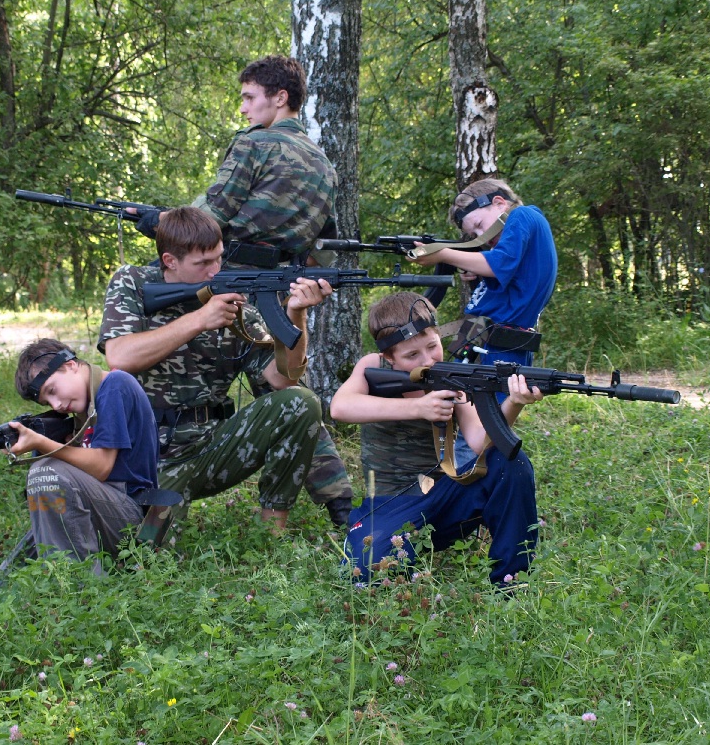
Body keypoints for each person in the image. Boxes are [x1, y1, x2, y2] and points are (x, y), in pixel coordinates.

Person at [99, 206, 332, 531]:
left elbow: (283, 378)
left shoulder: (236, 308)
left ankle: (273, 537)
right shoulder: (134, 282)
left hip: (209, 449)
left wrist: (296, 314)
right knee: (146, 557)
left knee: (301, 402)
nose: (215, 271)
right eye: (202, 264)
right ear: (170, 261)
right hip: (146, 459)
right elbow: (119, 356)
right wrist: (198, 320)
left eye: (219, 258)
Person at [330, 292, 543, 588]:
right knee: (360, 576)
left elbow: (481, 442)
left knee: (511, 462)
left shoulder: (452, 377)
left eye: (433, 346)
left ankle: (512, 582)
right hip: (390, 501)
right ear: (389, 357)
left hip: (443, 495)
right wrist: (417, 407)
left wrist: (515, 402)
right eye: (411, 355)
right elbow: (340, 407)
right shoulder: (373, 365)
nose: (428, 359)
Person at [138, 54, 336, 265]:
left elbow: (210, 217)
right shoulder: (325, 165)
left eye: (249, 98)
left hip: (220, 275)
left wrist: (159, 220)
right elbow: (323, 251)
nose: (243, 108)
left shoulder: (254, 143)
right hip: (284, 286)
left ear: (280, 98)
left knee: (131, 282)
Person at [8, 339, 159, 571]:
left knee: (45, 472)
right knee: (2, 580)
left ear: (70, 365)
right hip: (102, 511)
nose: (56, 405)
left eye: (52, 391)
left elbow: (102, 466)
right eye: (47, 401)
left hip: (133, 517)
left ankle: (82, 588)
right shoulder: (83, 410)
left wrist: (43, 443)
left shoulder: (114, 386)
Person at [413, 178, 557, 368]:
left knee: (495, 397)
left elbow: (499, 263)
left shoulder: (523, 215)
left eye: (479, 224)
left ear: (499, 203)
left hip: (499, 342)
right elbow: (510, 276)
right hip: (478, 334)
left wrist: (441, 254)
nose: (480, 236)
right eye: (473, 235)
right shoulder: (520, 239)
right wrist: (478, 272)